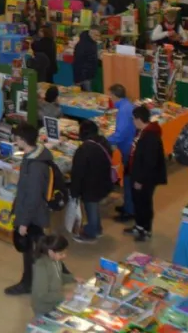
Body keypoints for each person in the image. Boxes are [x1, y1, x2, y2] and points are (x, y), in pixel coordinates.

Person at [5, 123, 53, 296]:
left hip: (32, 216)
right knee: (37, 250)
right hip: (32, 212)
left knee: (29, 251)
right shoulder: (33, 156)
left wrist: (23, 222)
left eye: (16, 139)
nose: (15, 142)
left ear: (23, 140)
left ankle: (28, 284)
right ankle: (36, 281)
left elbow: (32, 197)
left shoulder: (35, 166)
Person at [126, 105, 166, 242]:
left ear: (139, 119)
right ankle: (138, 226)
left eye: (133, 119)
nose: (132, 122)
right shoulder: (142, 132)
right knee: (137, 202)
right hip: (137, 174)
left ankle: (146, 230)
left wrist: (139, 180)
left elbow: (149, 163)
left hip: (145, 179)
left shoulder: (150, 137)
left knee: (144, 203)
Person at [70, 120, 114, 243]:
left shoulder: (84, 149)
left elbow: (77, 172)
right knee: (94, 206)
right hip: (103, 180)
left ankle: (92, 232)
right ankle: (96, 228)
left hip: (90, 184)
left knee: (91, 206)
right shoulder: (103, 142)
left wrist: (75, 191)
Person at [106, 84, 136, 223]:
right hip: (129, 147)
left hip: (127, 149)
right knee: (128, 179)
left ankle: (129, 211)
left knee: (128, 181)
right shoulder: (128, 106)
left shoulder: (123, 110)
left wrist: (106, 139)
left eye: (110, 95)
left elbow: (120, 134)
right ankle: (128, 205)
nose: (110, 98)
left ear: (115, 96)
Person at [30, 234, 76, 317]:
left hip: (54, 302)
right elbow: (42, 295)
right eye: (61, 254)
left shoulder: (56, 260)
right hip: (44, 308)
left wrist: (73, 278)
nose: (64, 256)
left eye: (65, 253)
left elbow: (57, 276)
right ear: (51, 252)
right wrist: (64, 295)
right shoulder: (41, 266)